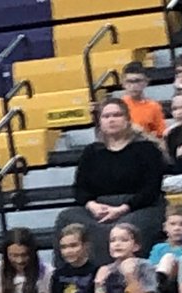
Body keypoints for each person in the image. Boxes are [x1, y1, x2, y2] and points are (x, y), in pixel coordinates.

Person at [54, 97, 166, 268]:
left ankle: (127, 272)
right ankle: (70, 275)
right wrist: (92, 205)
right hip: (99, 208)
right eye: (106, 116)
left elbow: (151, 189)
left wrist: (122, 208)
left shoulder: (147, 149)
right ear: (100, 122)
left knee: (124, 227)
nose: (111, 119)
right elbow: (80, 189)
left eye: (117, 115)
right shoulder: (92, 152)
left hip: (138, 206)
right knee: (66, 217)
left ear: (127, 119)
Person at [119, 61, 165, 139]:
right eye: (129, 81)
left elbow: (161, 134)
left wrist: (143, 133)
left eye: (138, 81)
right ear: (123, 83)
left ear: (146, 82)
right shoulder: (117, 106)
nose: (134, 86)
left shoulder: (154, 107)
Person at [149, 206, 182, 279]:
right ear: (165, 227)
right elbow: (152, 267)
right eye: (172, 224)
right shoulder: (158, 248)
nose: (177, 228)